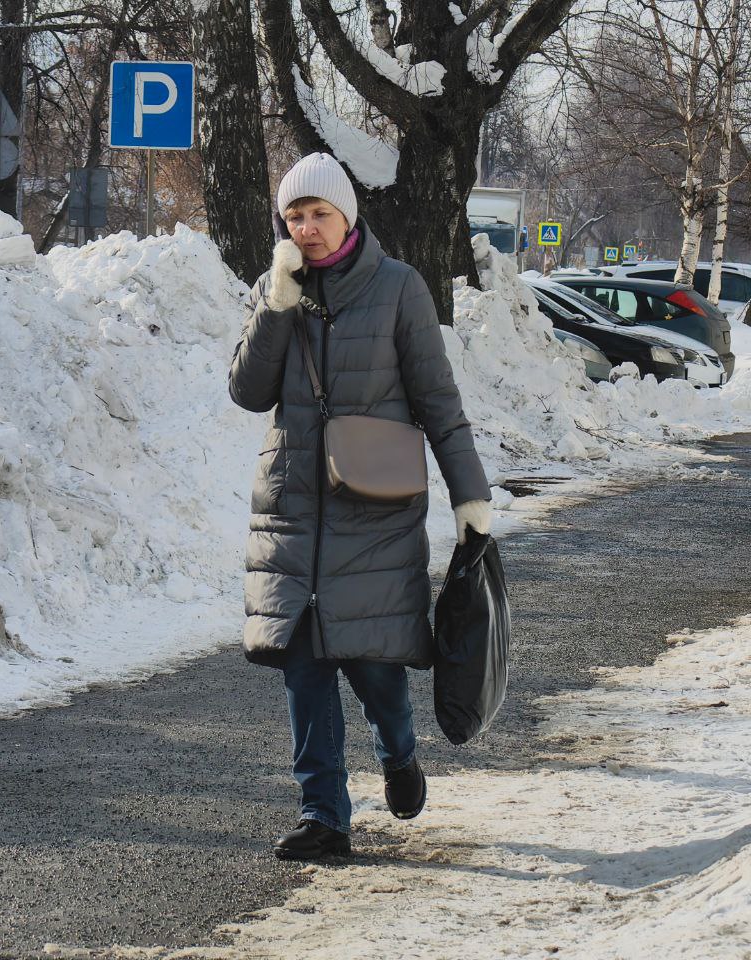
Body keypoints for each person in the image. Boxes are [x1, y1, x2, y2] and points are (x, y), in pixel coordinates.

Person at [228, 152, 493, 860]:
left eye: (320, 213)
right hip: (293, 511)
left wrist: (470, 496)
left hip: (375, 510)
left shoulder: (399, 287)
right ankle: (324, 815)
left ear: (347, 216)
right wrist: (277, 305)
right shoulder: (272, 289)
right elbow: (248, 391)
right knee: (304, 669)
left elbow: (439, 402)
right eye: (294, 216)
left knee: (375, 666)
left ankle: (399, 753)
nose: (307, 228)